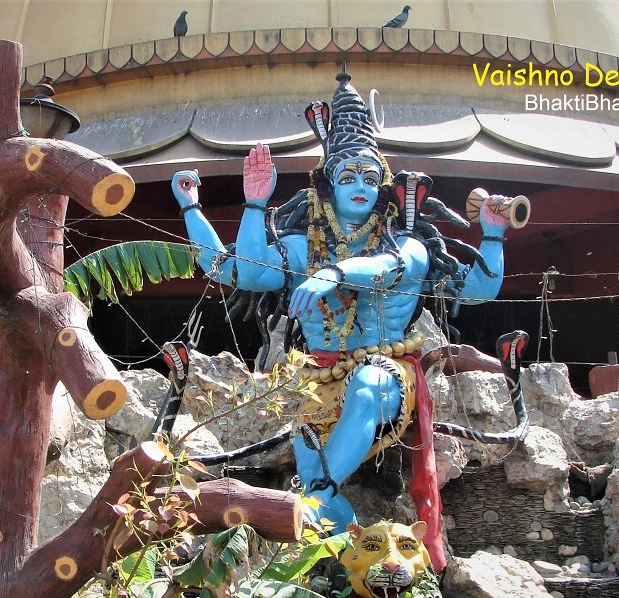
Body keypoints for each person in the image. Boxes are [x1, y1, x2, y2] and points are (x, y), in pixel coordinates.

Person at [171, 70, 514, 570]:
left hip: (385, 373)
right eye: (348, 177)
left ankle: (311, 502)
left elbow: (468, 286)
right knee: (310, 467)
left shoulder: (406, 244)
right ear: (328, 183)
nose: (360, 186)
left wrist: (493, 237)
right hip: (318, 381)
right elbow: (239, 269)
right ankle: (345, 557)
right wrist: (233, 206)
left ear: (385, 189)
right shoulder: (302, 246)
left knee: (366, 389)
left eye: (371, 179)